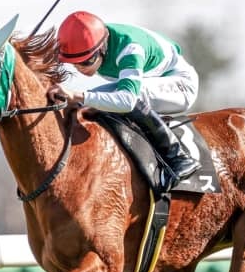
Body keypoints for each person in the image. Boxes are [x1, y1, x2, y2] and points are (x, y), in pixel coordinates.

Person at [47, 11, 202, 184]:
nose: (80, 69)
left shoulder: (130, 49)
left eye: (85, 62)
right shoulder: (97, 38)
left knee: (130, 96)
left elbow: (127, 101)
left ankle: (178, 157)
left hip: (180, 84)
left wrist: (76, 95)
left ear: (102, 48)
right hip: (153, 79)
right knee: (90, 101)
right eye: (74, 64)